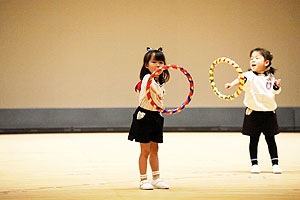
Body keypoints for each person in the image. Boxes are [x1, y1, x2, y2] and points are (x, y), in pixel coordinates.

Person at [225, 48, 282, 174]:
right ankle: (255, 164)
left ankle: (275, 164)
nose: (253, 60)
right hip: (253, 113)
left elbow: (275, 91)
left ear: (266, 62)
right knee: (254, 139)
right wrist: (231, 85)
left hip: (269, 113)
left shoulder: (270, 77)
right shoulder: (248, 75)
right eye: (251, 58)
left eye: (257, 58)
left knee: (271, 139)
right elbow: (240, 79)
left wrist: (277, 86)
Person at [128, 47, 170, 190]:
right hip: (144, 116)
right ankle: (143, 179)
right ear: (147, 65)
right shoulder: (147, 78)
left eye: (161, 62)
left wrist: (159, 92)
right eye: (154, 62)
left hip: (156, 116)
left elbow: (158, 92)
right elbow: (154, 90)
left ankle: (156, 178)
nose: (158, 65)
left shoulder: (160, 81)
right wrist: (158, 92)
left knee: (155, 149)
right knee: (144, 150)